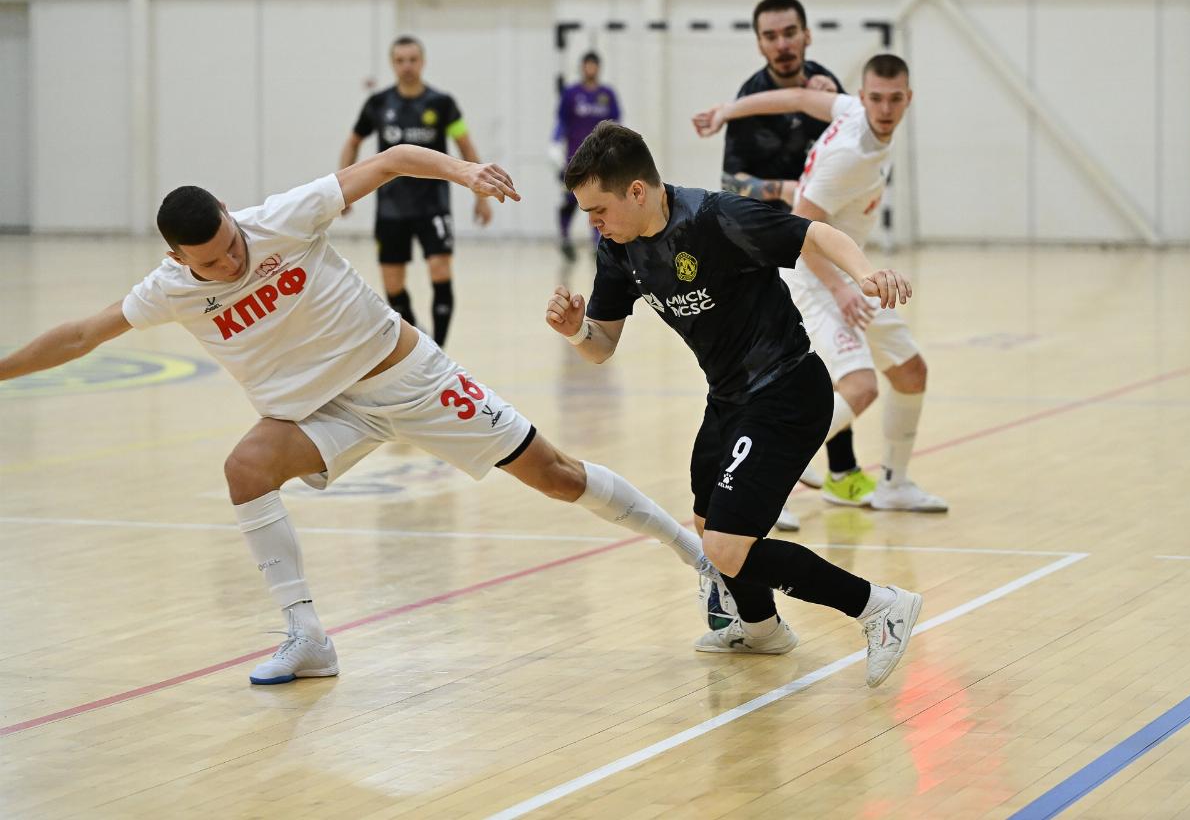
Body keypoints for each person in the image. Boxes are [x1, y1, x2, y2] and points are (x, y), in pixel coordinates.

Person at [0, 145, 721, 686]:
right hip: (322, 412)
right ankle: (307, 637)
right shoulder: (169, 290)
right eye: (212, 262)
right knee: (246, 469)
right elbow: (81, 335)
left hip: (410, 379)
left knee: (556, 476)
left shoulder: (279, 219)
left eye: (232, 245)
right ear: (175, 256)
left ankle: (695, 554)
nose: (230, 263)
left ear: (229, 214)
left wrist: (465, 172)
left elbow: (390, 161)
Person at [545, 122, 922, 686]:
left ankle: (879, 607)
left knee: (725, 546)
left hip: (786, 392)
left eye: (598, 209)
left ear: (637, 191)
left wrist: (867, 275)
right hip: (728, 398)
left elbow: (814, 233)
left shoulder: (715, 218)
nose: (592, 222)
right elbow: (602, 347)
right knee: (707, 523)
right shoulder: (618, 250)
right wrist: (577, 331)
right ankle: (762, 629)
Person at [696, 53, 946, 512]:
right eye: (876, 99)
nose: (884, 108)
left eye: (894, 99)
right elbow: (803, 230)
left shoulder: (850, 110)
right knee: (860, 386)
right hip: (814, 274)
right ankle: (758, 472)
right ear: (864, 96)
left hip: (850, 271)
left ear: (908, 98)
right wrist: (840, 289)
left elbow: (794, 97)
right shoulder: (850, 156)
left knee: (910, 371)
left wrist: (728, 110)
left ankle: (893, 485)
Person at [721, 0, 873, 523]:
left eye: (790, 32)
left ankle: (841, 471)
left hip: (814, 246)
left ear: (807, 35)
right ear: (759, 43)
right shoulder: (751, 99)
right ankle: (757, 480)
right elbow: (731, 183)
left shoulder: (827, 91)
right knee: (771, 370)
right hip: (760, 250)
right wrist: (788, 190)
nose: (782, 44)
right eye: (771, 36)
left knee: (824, 359)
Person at [339, 35, 490, 347]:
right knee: (393, 284)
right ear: (392, 64)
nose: (406, 66)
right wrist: (343, 191)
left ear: (422, 62)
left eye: (412, 60)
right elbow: (353, 142)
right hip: (391, 208)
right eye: (400, 60)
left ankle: (440, 350)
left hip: (433, 205)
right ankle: (421, 344)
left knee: (440, 268)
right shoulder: (378, 104)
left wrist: (481, 197)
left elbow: (465, 146)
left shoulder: (442, 104)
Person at [553, 51, 623, 263]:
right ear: (582, 67)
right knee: (570, 200)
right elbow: (562, 122)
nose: (590, 69)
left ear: (598, 68)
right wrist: (554, 144)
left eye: (594, 65)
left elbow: (616, 124)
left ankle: (598, 243)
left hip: (600, 160)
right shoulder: (571, 94)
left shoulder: (607, 95)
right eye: (587, 65)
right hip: (574, 158)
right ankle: (565, 238)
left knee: (599, 201)